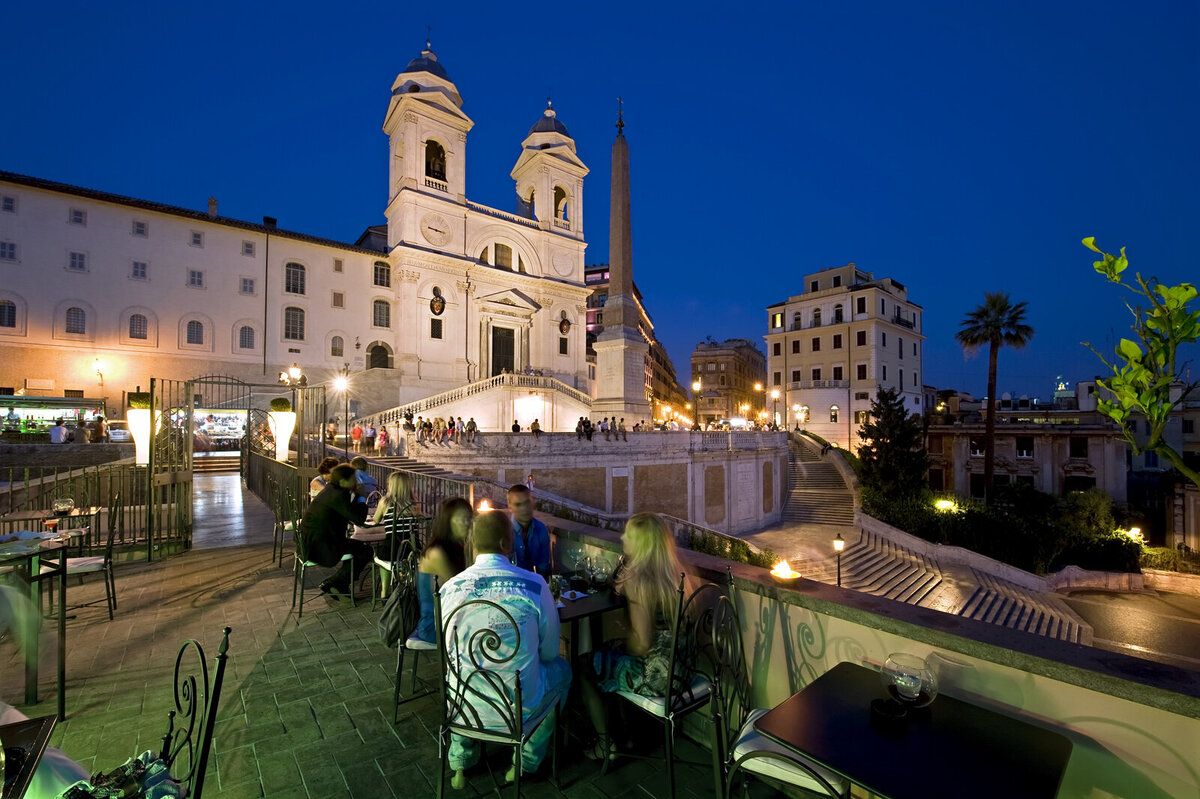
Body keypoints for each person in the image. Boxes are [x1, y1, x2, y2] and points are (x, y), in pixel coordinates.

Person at [439, 511, 570, 789]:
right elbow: (549, 653)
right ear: (505, 544)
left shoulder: (449, 589)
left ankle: (461, 760)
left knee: (461, 670)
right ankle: (525, 761)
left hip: (465, 707)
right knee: (563, 670)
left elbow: (448, 652)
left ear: (473, 543)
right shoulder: (535, 585)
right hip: (517, 708)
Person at [580, 512, 695, 758]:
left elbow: (641, 645)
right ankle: (629, 733)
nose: (622, 537)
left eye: (628, 535)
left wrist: (625, 639)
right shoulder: (675, 574)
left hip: (659, 679)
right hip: (683, 669)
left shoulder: (640, 582)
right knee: (610, 652)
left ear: (641, 545)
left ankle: (605, 745)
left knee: (586, 665)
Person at [296, 464, 371, 597]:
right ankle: (337, 582)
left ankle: (339, 583)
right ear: (343, 481)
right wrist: (361, 497)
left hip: (308, 543)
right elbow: (359, 519)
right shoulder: (338, 495)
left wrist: (355, 495)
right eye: (353, 479)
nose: (356, 481)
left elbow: (349, 512)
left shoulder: (330, 490)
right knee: (365, 551)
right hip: (320, 547)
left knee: (357, 547)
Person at [408, 496, 472, 646]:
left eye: (470, 518)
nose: (467, 523)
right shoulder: (436, 553)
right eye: (462, 519)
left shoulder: (457, 547)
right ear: (447, 522)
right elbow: (461, 589)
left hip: (453, 617)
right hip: (435, 624)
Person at [507, 484, 550, 575]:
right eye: (518, 505)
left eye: (527, 503)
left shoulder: (541, 529)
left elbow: (543, 568)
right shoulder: (503, 531)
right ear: (510, 508)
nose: (524, 508)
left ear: (532, 502)